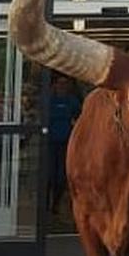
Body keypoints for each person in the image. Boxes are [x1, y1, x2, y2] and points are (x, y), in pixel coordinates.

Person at [48, 75, 82, 215]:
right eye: (60, 83)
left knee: (61, 176)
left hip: (66, 143)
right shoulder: (49, 101)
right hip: (49, 143)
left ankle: (55, 204)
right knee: (49, 174)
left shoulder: (72, 101)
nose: (62, 86)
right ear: (54, 85)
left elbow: (80, 116)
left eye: (65, 84)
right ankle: (44, 205)